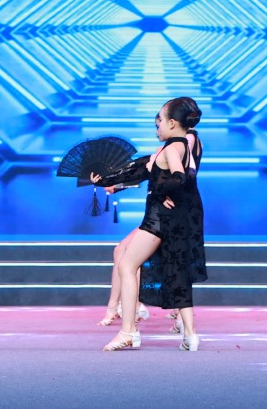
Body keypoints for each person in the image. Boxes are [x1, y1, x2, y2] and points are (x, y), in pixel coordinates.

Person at [95, 97, 207, 351]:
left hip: (161, 217)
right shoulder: (181, 144)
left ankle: (128, 330)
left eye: (159, 123)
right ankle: (189, 334)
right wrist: (108, 181)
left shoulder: (176, 146)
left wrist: (161, 192)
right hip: (175, 215)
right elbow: (148, 170)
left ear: (172, 123)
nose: (156, 128)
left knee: (127, 264)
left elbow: (180, 178)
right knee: (177, 271)